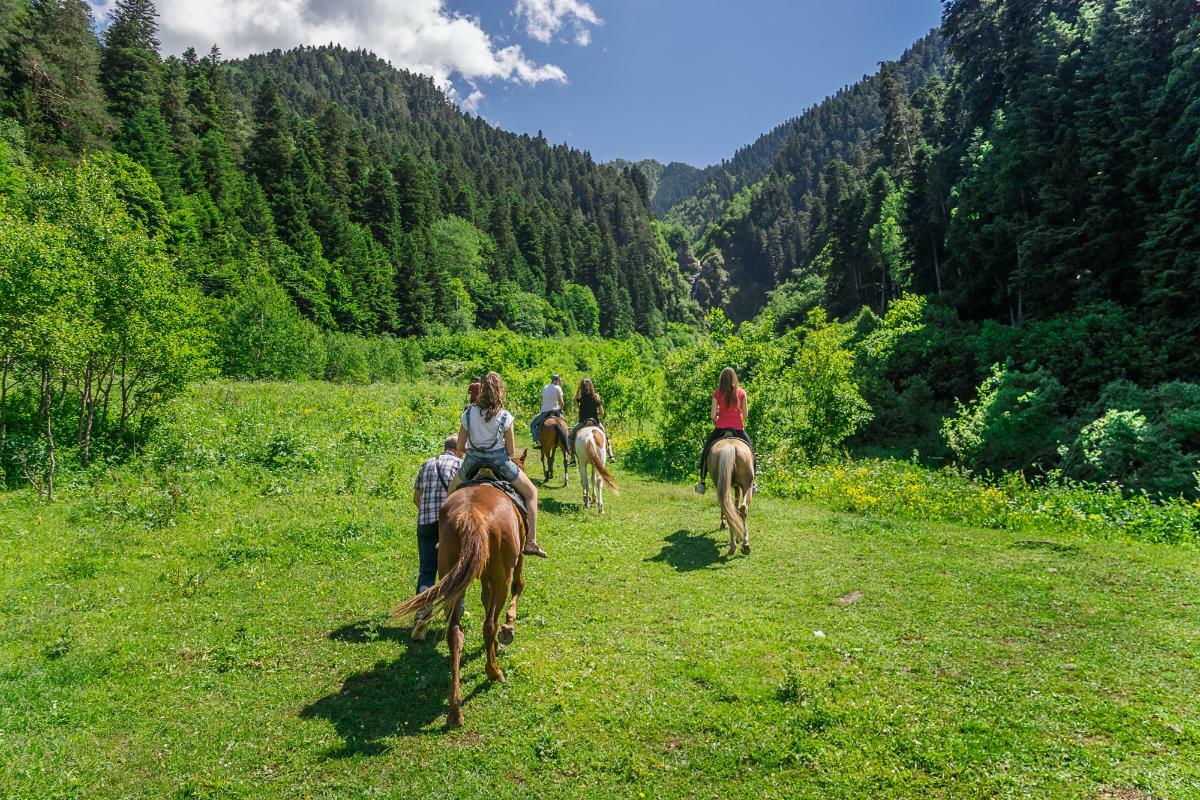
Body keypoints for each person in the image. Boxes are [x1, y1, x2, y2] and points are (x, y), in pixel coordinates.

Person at [447, 372, 548, 558]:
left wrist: (475, 452)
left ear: (482, 389)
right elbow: (510, 451)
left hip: (472, 462)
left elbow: (460, 446)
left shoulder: (468, 414)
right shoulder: (504, 416)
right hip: (499, 463)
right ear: (500, 390)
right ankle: (532, 541)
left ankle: (442, 537)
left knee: (451, 491)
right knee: (532, 492)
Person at [410, 435, 464, 641]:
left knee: (426, 571)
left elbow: (416, 498)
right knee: (455, 570)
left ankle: (421, 619)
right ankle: (453, 616)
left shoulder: (426, 464)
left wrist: (428, 515)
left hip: (424, 523)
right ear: (458, 449)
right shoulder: (460, 465)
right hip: (450, 526)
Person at [695, 367, 755, 495]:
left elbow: (712, 416)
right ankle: (753, 482)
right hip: (738, 429)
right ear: (734, 378)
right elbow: (745, 415)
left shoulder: (717, 393)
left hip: (720, 428)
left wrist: (719, 416)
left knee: (705, 451)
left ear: (721, 379)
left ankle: (702, 481)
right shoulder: (742, 393)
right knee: (751, 451)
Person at [567, 377, 615, 466]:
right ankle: (611, 454)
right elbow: (602, 412)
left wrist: (577, 391)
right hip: (595, 422)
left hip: (582, 422)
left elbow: (575, 403)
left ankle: (573, 459)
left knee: (569, 438)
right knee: (605, 436)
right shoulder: (596, 396)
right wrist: (594, 412)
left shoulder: (580, 397)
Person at [528, 373, 565, 444]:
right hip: (555, 410)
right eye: (559, 381)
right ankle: (567, 439)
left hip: (545, 411)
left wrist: (542, 410)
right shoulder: (558, 387)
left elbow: (541, 402)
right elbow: (562, 403)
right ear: (556, 380)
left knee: (532, 425)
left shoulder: (545, 387)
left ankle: (537, 441)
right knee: (564, 425)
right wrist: (561, 410)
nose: (560, 382)